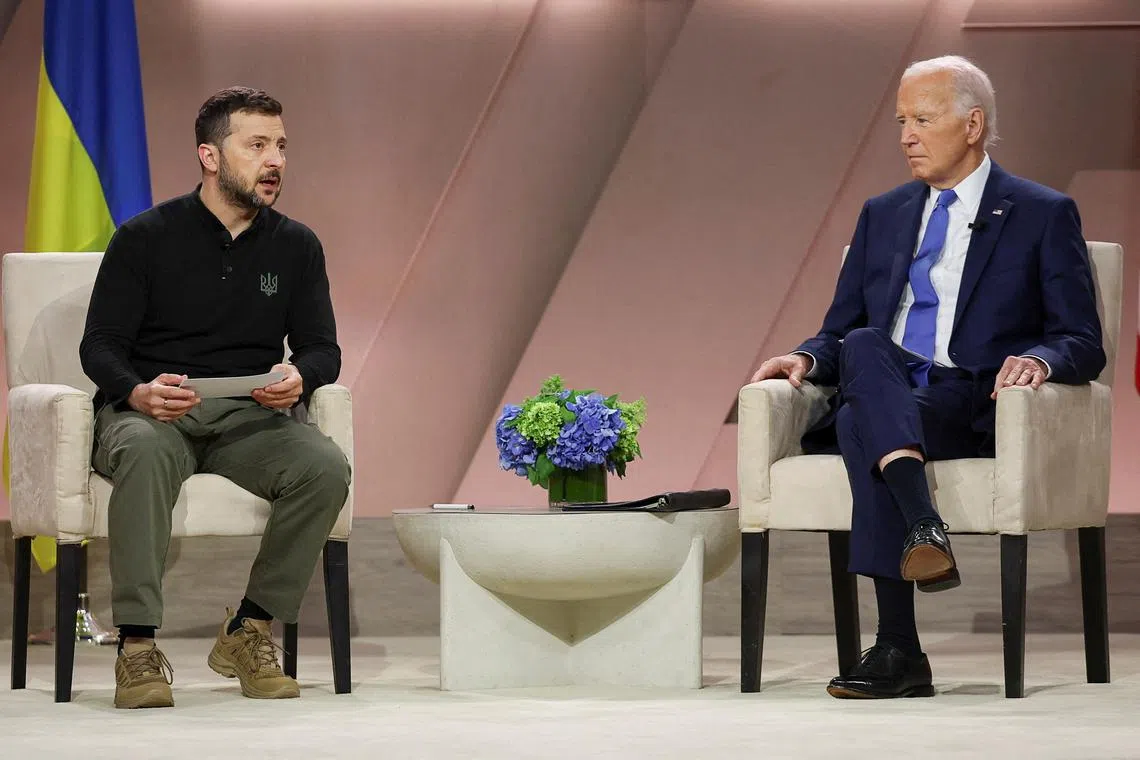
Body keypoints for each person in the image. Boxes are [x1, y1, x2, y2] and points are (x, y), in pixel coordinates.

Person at [750, 56, 1104, 699]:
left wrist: (1042, 361)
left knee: (860, 420)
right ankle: (921, 526)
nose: (905, 136)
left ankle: (900, 649)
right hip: (891, 384)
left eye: (921, 119)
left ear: (972, 124)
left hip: (967, 396)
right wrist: (804, 360)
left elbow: (1083, 339)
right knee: (863, 345)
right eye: (900, 121)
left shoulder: (1040, 213)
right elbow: (841, 330)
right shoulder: (882, 213)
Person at [80, 87, 351, 709]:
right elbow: (100, 346)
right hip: (153, 411)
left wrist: (299, 379)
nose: (274, 159)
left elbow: (321, 349)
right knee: (146, 453)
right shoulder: (144, 238)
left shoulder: (297, 245)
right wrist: (137, 392)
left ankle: (250, 630)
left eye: (281, 146)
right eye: (257, 145)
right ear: (210, 155)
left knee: (323, 466)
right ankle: (138, 646)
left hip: (247, 414)